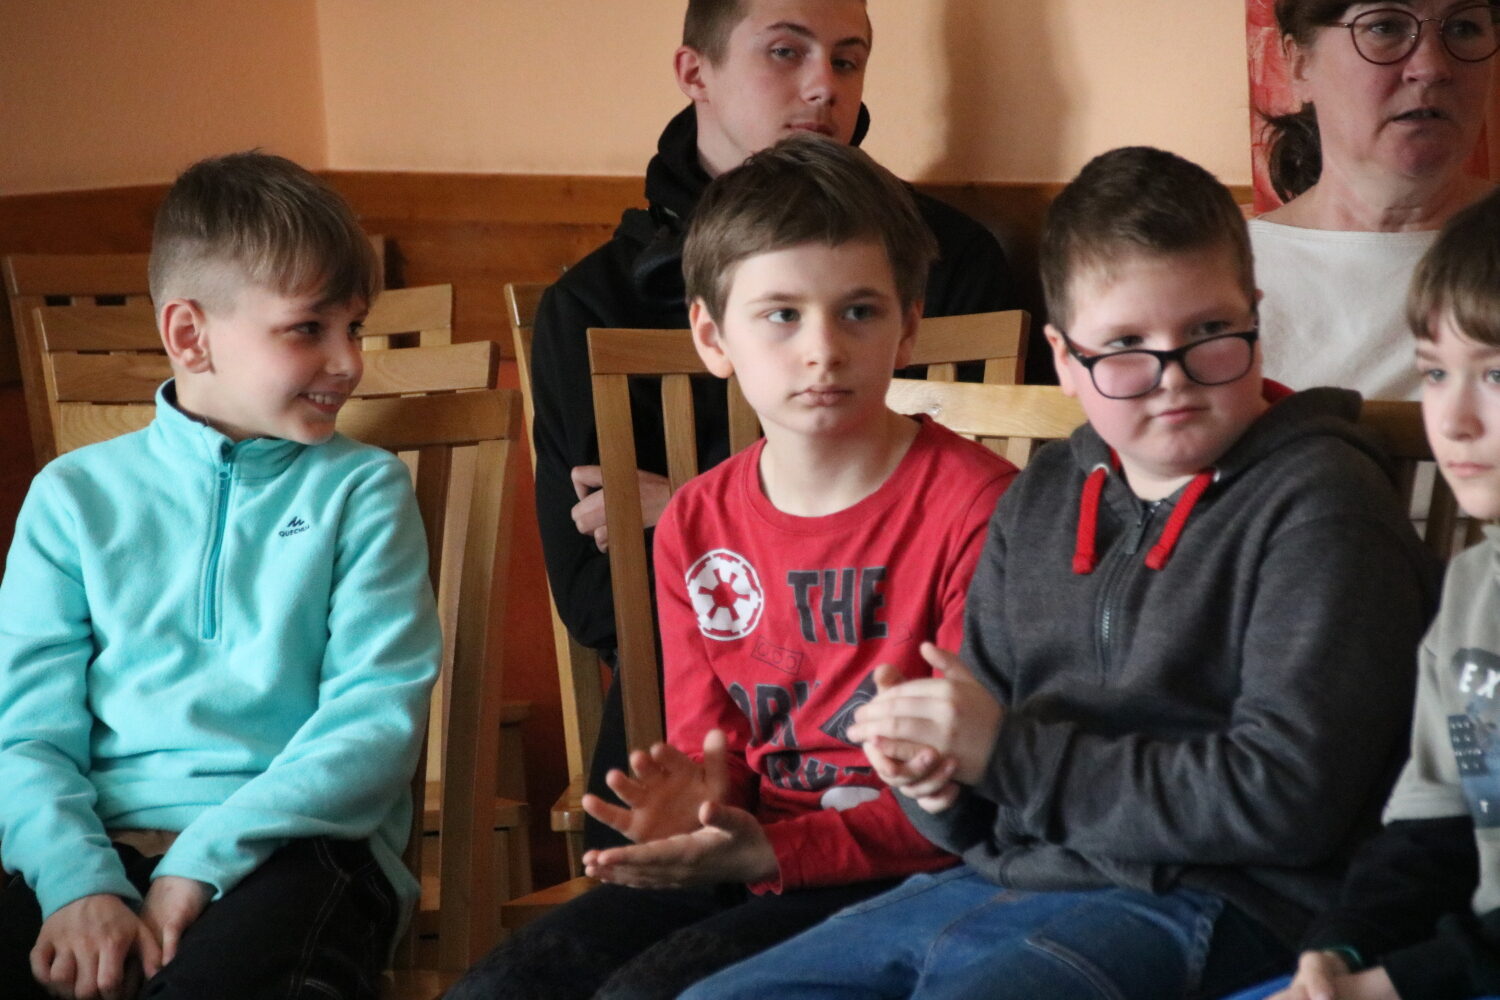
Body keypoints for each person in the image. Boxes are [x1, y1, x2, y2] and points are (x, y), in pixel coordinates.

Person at [680, 145, 1442, 1000]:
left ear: (1255, 319)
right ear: (1065, 360)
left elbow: (1288, 802)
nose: (1174, 380)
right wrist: (933, 776)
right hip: (1002, 882)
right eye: (1125, 346)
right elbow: (977, 785)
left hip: (1218, 899)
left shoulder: (1321, 503)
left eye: (1208, 333)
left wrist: (1008, 756)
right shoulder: (1042, 497)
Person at [448, 134, 1017, 1000]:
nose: (822, 349)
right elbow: (713, 750)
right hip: (745, 856)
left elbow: (971, 802)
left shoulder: (980, 508)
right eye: (781, 314)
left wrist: (769, 851)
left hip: (915, 874)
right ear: (713, 337)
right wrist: (698, 800)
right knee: (503, 988)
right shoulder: (696, 519)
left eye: (859, 312)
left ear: (908, 327)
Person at [529, 0, 1017, 849]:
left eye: (847, 60)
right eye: (786, 53)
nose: (824, 86)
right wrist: (713, 525)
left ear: (902, 321)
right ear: (695, 72)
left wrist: (703, 517)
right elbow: (596, 596)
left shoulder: (943, 256)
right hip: (704, 698)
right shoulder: (589, 302)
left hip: (909, 741)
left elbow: (965, 538)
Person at [0, 152, 441, 1000]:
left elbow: (373, 723)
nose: (349, 361)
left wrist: (199, 864)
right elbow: (26, 737)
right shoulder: (70, 498)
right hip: (95, 852)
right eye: (309, 328)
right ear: (189, 335)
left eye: (355, 327)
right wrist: (79, 887)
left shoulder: (365, 490)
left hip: (299, 850)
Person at [1226, 191, 1500, 1000]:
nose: (1453, 419)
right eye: (1436, 372)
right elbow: (1432, 829)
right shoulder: (1474, 586)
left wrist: (1387, 986)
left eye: (1496, 374)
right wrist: (1340, 952)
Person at [1252, 0, 1497, 400]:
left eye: (1464, 28)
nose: (1432, 67)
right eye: (1385, 27)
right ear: (1299, 64)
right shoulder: (1215, 278)